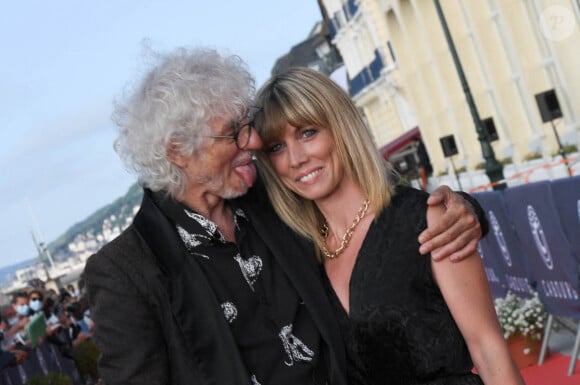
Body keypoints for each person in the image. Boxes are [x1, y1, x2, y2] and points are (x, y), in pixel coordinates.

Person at [83, 47, 486, 385]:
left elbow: (371, 214)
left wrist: (464, 210)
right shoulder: (126, 272)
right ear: (177, 150)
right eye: (233, 132)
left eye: (249, 125)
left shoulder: (270, 198)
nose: (255, 140)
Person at [252, 67, 524, 385]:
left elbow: (489, 351)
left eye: (308, 132)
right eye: (276, 147)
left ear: (341, 127)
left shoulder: (428, 220)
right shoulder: (300, 252)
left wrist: (471, 208)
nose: (296, 158)